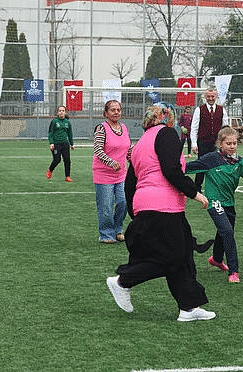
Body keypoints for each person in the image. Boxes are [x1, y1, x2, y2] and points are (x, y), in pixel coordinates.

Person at [106, 103, 215, 322]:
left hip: (151, 205)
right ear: (167, 118)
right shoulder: (166, 134)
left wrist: (135, 211)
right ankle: (122, 281)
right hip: (163, 206)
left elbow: (130, 182)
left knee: (184, 255)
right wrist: (195, 193)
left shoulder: (140, 143)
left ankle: (188, 308)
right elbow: (171, 169)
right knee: (171, 258)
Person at [186, 126, 243, 283]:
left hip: (229, 202)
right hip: (214, 201)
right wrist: (171, 165)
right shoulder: (210, 159)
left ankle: (216, 259)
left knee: (224, 231)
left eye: (234, 143)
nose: (232, 146)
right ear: (219, 144)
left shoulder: (239, 161)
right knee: (227, 231)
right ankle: (234, 272)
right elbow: (189, 167)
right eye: (228, 143)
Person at [92, 100, 131, 244]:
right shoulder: (101, 128)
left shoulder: (124, 128)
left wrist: (136, 158)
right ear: (106, 113)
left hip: (121, 174)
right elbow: (98, 150)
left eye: (118, 110)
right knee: (106, 207)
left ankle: (117, 229)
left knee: (124, 202)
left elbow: (128, 149)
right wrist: (110, 162)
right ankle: (106, 234)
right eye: (113, 110)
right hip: (103, 174)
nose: (116, 112)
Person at [190, 88, 229, 192]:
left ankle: (216, 187)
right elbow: (194, 128)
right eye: (208, 96)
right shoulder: (199, 110)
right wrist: (194, 144)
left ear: (216, 97)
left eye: (213, 96)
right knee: (201, 165)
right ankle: (197, 188)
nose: (211, 98)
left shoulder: (222, 110)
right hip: (203, 142)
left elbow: (225, 128)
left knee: (217, 166)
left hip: (216, 143)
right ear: (205, 97)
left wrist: (224, 143)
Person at [46, 105, 74, 182]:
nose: (61, 112)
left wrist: (72, 144)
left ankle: (67, 176)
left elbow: (70, 134)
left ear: (65, 112)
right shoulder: (54, 121)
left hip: (65, 144)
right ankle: (50, 170)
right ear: (57, 112)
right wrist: (51, 143)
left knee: (67, 160)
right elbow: (50, 133)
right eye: (60, 111)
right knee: (57, 160)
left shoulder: (67, 122)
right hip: (56, 144)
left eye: (63, 111)